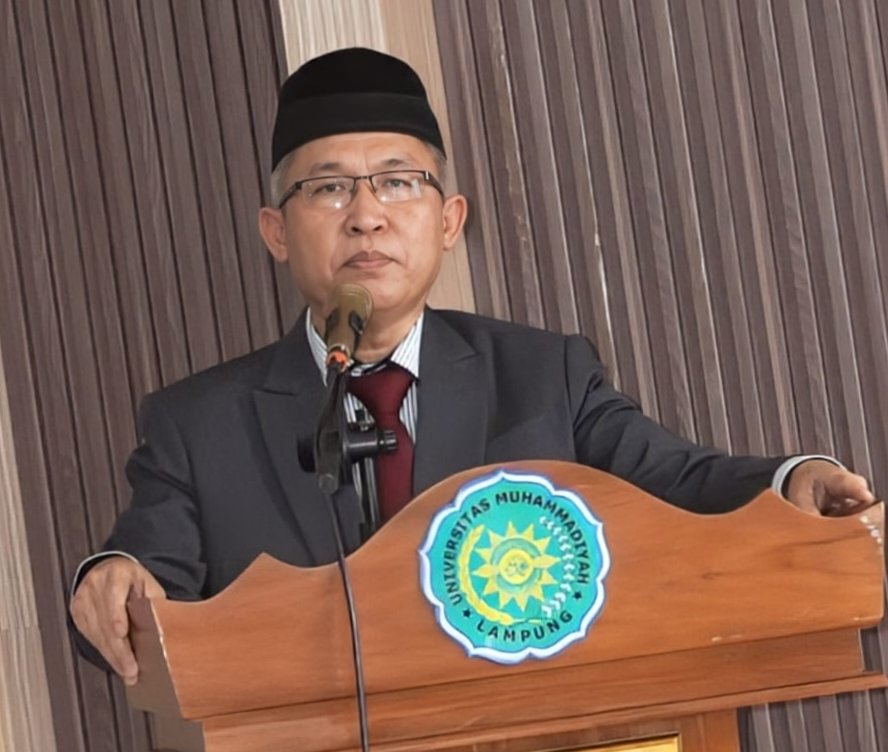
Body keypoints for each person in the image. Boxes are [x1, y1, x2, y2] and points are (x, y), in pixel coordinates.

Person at [68, 47, 876, 686]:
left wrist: (791, 484)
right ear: (276, 232)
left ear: (449, 220)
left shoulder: (543, 375)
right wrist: (113, 574)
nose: (367, 215)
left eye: (397, 182)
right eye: (329, 188)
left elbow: (678, 481)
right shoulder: (198, 424)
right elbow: (141, 578)